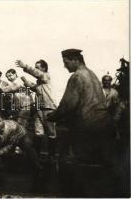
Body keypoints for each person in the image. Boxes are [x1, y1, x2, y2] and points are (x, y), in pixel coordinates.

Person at [46, 49, 117, 197]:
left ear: (75, 60)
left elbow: (68, 105)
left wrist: (52, 115)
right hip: (105, 124)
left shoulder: (77, 76)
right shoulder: (92, 74)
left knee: (67, 159)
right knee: (102, 165)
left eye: (66, 62)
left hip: (87, 126)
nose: (65, 66)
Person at [16, 59, 57, 158]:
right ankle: (36, 156)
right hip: (39, 108)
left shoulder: (46, 75)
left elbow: (37, 74)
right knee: (38, 132)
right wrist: (26, 81)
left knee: (51, 133)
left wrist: (25, 66)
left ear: (44, 68)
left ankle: (52, 157)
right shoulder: (40, 81)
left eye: (37, 68)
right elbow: (35, 87)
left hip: (48, 107)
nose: (35, 69)